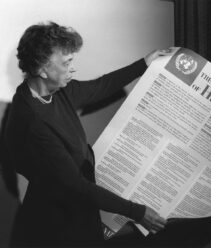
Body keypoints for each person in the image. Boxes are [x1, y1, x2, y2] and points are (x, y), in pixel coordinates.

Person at [4, 21, 169, 247]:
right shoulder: (32, 121)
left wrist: (143, 64)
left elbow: (100, 86)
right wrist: (138, 212)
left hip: (77, 210)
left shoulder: (58, 90)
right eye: (67, 62)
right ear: (41, 69)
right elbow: (74, 185)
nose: (73, 68)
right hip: (55, 226)